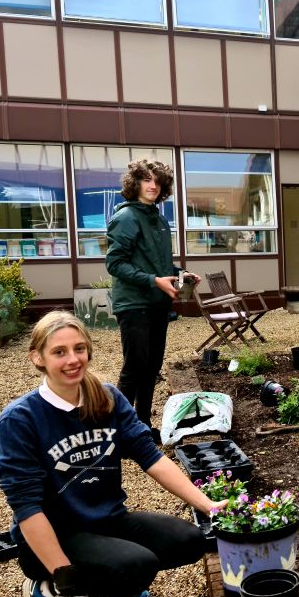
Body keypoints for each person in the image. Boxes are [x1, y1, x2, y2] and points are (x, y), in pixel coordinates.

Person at [0, 312, 224, 597]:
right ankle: (45, 587)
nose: (73, 360)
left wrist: (208, 504)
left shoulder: (107, 398)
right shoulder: (20, 420)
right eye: (59, 352)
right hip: (55, 536)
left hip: (108, 520)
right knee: (136, 566)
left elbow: (151, 457)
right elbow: (26, 507)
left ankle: (117, 582)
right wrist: (66, 577)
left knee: (189, 540)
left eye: (79, 348)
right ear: (37, 358)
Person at [105, 159, 198, 444]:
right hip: (134, 304)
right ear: (135, 184)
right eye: (146, 179)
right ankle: (119, 431)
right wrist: (152, 281)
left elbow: (159, 263)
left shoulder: (159, 219)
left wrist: (180, 275)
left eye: (157, 180)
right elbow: (115, 263)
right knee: (135, 366)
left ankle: (142, 424)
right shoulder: (126, 218)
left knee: (152, 365)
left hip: (158, 304)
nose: (152, 185)